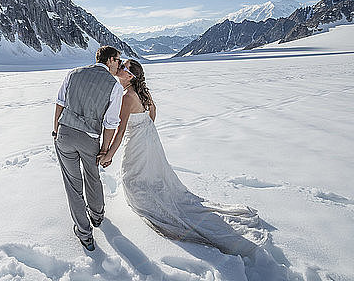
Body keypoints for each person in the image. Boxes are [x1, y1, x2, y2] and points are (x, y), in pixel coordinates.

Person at [99, 59, 268, 256]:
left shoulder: (128, 96)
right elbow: (152, 111)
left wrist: (108, 154)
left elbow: (119, 132)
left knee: (132, 179)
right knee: (152, 172)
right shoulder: (142, 91)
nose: (120, 67)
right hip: (149, 138)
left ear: (130, 76)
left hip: (138, 140)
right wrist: (145, 127)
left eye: (124, 67)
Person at [53, 45, 123, 251]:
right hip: (89, 139)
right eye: (118, 60)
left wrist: (56, 131)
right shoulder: (114, 86)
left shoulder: (73, 73)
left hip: (65, 134)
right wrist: (105, 149)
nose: (119, 64)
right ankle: (97, 215)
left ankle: (84, 234)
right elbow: (111, 123)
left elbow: (60, 103)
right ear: (109, 60)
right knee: (92, 176)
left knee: (73, 185)